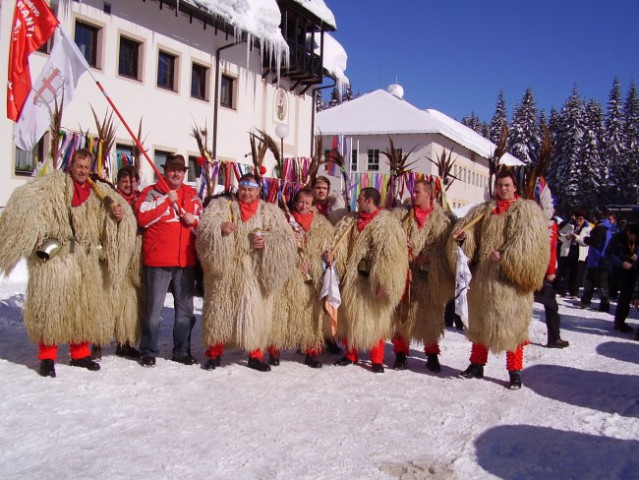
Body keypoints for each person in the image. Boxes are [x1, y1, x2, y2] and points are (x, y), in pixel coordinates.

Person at [0, 148, 137, 377]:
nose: (82, 171)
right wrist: (35, 238)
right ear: (71, 166)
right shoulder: (54, 187)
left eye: (86, 167)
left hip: (85, 261)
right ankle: (47, 357)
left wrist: (119, 217)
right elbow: (30, 206)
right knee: (51, 309)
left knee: (82, 309)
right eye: (79, 166)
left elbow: (117, 217)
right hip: (56, 261)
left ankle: (80, 354)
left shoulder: (99, 192)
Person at [451, 169, 549, 389]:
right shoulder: (483, 211)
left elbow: (531, 243)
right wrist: (462, 238)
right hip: (484, 278)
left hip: (511, 281)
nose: (502, 189)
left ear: (515, 187)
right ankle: (476, 364)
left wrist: (505, 256)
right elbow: (468, 237)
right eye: (499, 185)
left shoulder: (526, 211)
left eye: (507, 185)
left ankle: (514, 371)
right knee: (480, 322)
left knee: (513, 326)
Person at [196, 173, 297, 372]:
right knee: (220, 312)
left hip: (254, 271)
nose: (247, 193)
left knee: (254, 313)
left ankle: (255, 355)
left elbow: (286, 238)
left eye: (251, 189)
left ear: (258, 191)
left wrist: (266, 240)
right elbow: (204, 228)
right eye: (243, 188)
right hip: (225, 270)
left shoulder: (270, 212)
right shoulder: (221, 206)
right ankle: (214, 354)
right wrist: (220, 227)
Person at [324, 187, 408, 373]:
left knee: (376, 319)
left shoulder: (387, 224)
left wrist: (384, 282)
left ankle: (376, 359)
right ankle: (350, 354)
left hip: (372, 280)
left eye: (360, 198)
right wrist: (332, 257)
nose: (357, 201)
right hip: (352, 279)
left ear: (369, 200)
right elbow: (338, 242)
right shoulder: (350, 220)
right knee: (351, 316)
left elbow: (391, 256)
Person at [135, 154, 202, 367]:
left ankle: (181, 351)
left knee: (185, 311)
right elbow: (142, 217)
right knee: (153, 310)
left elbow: (205, 222)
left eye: (180, 170)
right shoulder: (151, 192)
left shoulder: (191, 195)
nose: (176, 173)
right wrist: (166, 200)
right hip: (158, 260)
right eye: (172, 169)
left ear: (184, 173)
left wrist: (195, 221)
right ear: (164, 171)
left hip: (185, 262)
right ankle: (148, 350)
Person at [389, 179, 454, 371]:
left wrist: (429, 257)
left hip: (428, 276)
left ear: (428, 194)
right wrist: (402, 246)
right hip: (405, 273)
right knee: (402, 314)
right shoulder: (401, 215)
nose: (413, 195)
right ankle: (401, 353)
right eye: (413, 191)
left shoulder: (441, 220)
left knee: (431, 314)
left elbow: (443, 246)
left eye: (417, 192)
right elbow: (390, 236)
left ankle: (432, 354)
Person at [269, 189, 335, 368]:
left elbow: (329, 247)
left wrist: (327, 258)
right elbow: (272, 242)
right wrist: (289, 240)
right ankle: (274, 349)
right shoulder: (284, 220)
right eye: (301, 202)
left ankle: (311, 351)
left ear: (312, 204)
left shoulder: (322, 224)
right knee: (281, 313)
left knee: (310, 315)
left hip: (311, 278)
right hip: (287, 274)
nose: (304, 205)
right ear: (295, 202)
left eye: (307, 202)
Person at [311, 175, 348, 355]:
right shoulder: (308, 207)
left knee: (330, 295)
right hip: (313, 256)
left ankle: (330, 337)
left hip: (332, 257)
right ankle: (313, 338)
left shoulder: (336, 208)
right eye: (318, 188)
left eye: (324, 188)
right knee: (312, 300)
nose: (321, 191)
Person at [535, 211, 570, 348]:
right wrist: (551, 271)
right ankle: (554, 338)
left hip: (532, 270)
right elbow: (550, 249)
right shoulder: (549, 224)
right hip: (539, 271)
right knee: (551, 306)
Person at [606, 223, 639, 334]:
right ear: (629, 233)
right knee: (624, 297)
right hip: (620, 271)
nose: (635, 239)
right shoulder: (617, 238)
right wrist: (621, 263)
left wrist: (636, 255)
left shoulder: (636, 239)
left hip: (633, 269)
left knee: (630, 296)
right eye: (634, 236)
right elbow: (608, 254)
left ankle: (621, 321)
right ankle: (619, 322)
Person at [580, 211, 614, 312]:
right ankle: (589, 301)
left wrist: (587, 240)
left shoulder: (599, 228)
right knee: (599, 282)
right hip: (604, 258)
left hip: (597, 259)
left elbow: (597, 242)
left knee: (594, 282)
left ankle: (601, 304)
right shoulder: (608, 227)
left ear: (596, 218)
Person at [557, 210, 590, 298]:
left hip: (580, 253)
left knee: (577, 274)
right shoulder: (570, 225)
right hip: (568, 251)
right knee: (565, 273)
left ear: (584, 219)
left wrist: (577, 237)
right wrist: (566, 237)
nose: (579, 221)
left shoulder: (588, 228)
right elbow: (560, 235)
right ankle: (562, 291)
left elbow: (587, 241)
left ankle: (574, 293)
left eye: (581, 219)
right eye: (577, 219)